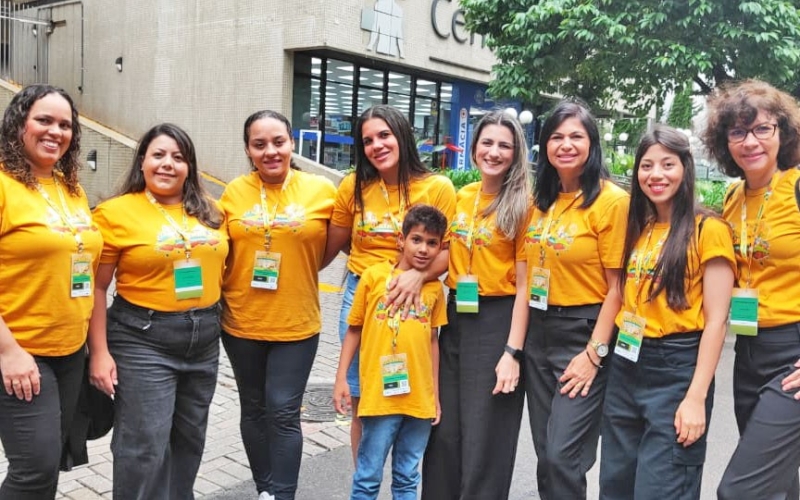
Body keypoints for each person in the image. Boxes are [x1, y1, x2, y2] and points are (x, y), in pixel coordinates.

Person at [88, 123, 229, 500]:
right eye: (159, 155)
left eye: (178, 157)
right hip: (142, 340)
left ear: (190, 166)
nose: (168, 164)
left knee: (189, 442)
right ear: (142, 162)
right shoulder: (114, 213)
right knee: (143, 448)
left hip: (204, 340)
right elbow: (97, 288)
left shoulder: (211, 211)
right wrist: (99, 354)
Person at [598, 125, 735, 499]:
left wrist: (695, 397)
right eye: (646, 165)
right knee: (615, 486)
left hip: (676, 368)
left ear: (686, 168)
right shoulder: (639, 229)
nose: (655, 175)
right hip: (627, 364)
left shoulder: (709, 229)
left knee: (662, 488)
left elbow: (717, 321)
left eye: (667, 164)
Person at [323, 104, 456, 461]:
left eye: (384, 135)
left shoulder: (437, 187)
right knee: (363, 398)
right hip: (364, 295)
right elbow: (330, 244)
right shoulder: (354, 186)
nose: (377, 145)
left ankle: (403, 482)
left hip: (418, 297)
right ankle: (364, 485)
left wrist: (417, 275)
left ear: (402, 135)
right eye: (367, 140)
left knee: (408, 396)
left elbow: (450, 251)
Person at [219, 110, 336, 500]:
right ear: (249, 150)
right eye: (259, 144)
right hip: (241, 322)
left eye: (278, 142)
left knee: (283, 411)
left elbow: (334, 244)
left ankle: (283, 495)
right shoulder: (235, 191)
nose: (270, 151)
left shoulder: (320, 190)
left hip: (297, 323)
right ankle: (265, 490)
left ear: (291, 143)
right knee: (252, 409)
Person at [421, 109, 531, 500]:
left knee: (485, 434)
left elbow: (525, 286)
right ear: (473, 147)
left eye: (505, 145)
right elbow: (447, 253)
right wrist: (416, 276)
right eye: (487, 142)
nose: (494, 152)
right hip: (457, 316)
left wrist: (512, 352)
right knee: (445, 429)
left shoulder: (523, 204)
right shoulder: (463, 196)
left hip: (498, 320)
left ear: (516, 152)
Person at [522, 100, 629, 500]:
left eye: (576, 137)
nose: (565, 145)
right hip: (539, 333)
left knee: (563, 456)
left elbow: (617, 289)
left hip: (582, 334)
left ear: (592, 143)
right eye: (556, 137)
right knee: (545, 454)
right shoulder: (540, 203)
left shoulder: (611, 202)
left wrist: (594, 353)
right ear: (545, 146)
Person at [0, 84, 102, 499]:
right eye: (44, 120)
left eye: (65, 124)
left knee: (50, 465)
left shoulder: (69, 186)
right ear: (19, 124)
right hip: (22, 350)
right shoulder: (4, 185)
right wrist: (8, 352)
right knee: (34, 469)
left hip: (69, 352)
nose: (55, 131)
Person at [701, 79, 800, 500]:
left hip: (792, 354)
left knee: (740, 490)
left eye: (762, 129)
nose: (750, 141)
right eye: (737, 132)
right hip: (748, 352)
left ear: (783, 132)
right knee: (777, 486)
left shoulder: (797, 187)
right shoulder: (732, 198)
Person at [333, 204, 448, 500]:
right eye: (417, 239)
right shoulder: (372, 278)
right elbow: (354, 329)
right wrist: (341, 379)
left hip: (419, 402)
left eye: (432, 243)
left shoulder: (434, 290)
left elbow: (433, 341)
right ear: (401, 240)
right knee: (368, 476)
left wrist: (434, 396)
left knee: (407, 478)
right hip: (379, 398)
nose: (423, 249)